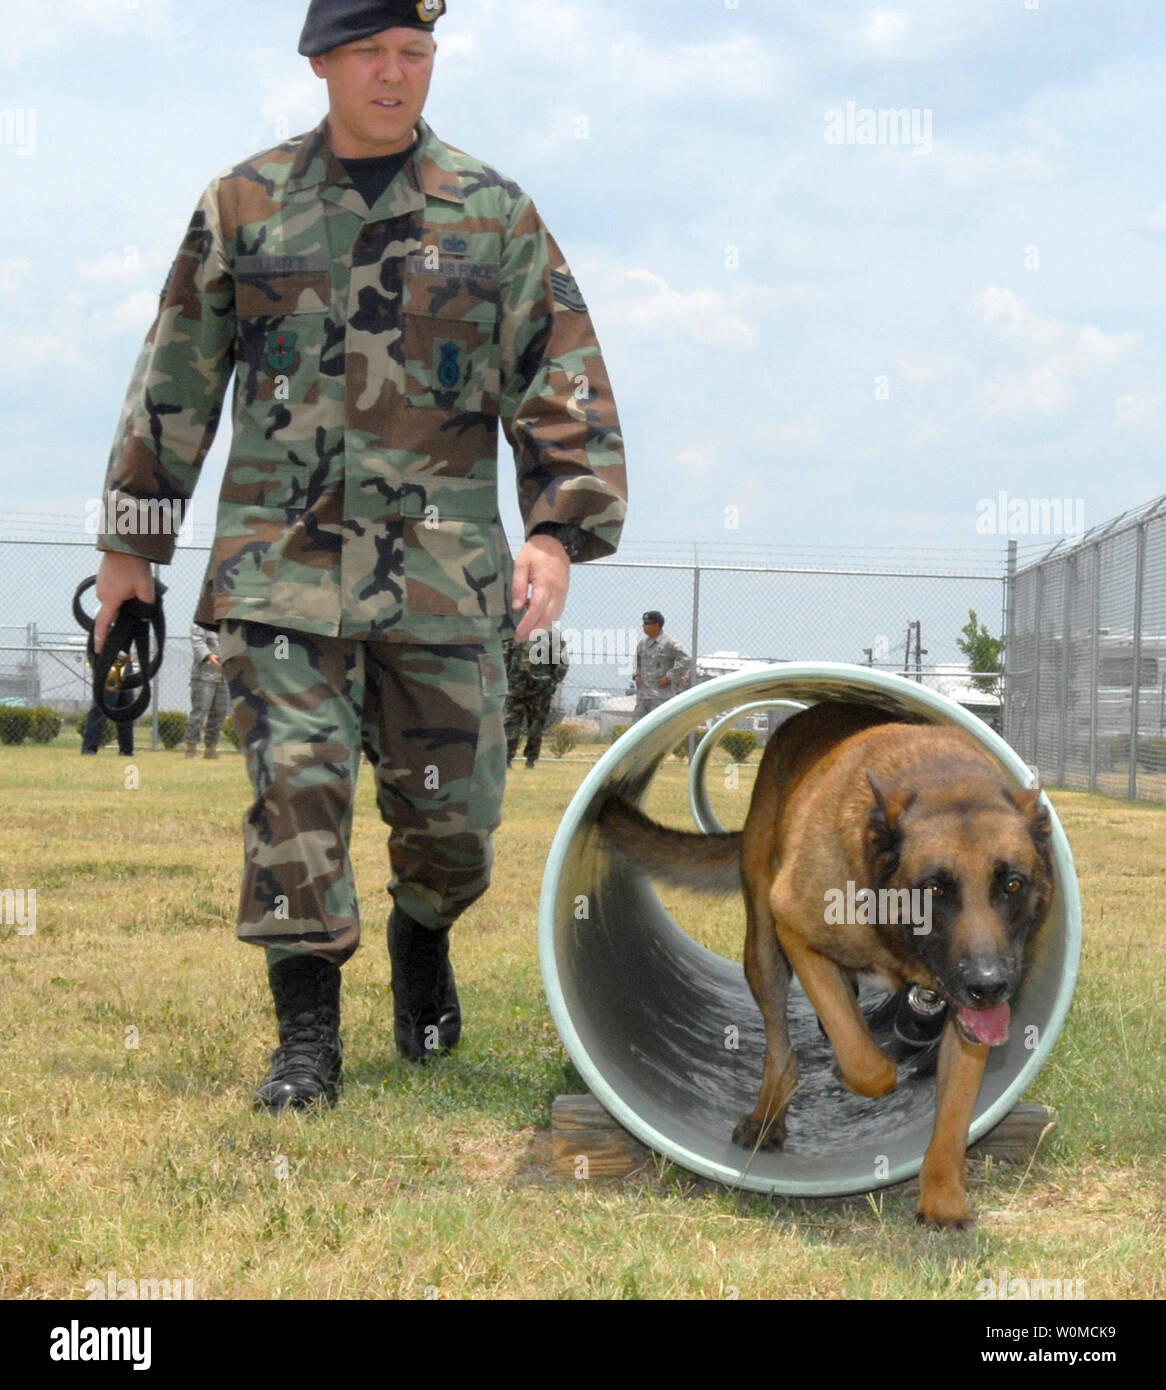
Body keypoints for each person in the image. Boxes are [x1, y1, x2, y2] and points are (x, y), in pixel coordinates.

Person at [91, 0, 627, 1110]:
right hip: (277, 570)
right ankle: (306, 1040)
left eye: (414, 54)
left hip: (442, 581)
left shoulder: (492, 214)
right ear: (322, 62)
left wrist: (552, 530)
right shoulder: (243, 205)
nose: (395, 75)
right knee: (297, 788)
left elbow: (558, 368)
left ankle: (420, 933)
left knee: (453, 828)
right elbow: (175, 380)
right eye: (372, 53)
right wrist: (131, 554)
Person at [503, 627, 569, 769]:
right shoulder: (516, 631)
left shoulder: (550, 635)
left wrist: (552, 682)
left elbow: (562, 663)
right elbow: (505, 657)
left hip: (538, 688)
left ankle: (529, 760)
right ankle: (509, 759)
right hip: (518, 687)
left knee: (534, 725)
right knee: (513, 723)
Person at [632, 611, 689, 722]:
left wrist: (669, 677)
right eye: (643, 623)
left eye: (647, 623)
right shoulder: (642, 644)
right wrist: (636, 675)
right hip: (643, 697)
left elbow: (686, 659)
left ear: (657, 625)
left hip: (661, 697)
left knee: (658, 730)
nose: (644, 626)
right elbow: (636, 661)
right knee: (638, 731)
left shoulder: (669, 643)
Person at [184, 620, 229, 759]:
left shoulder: (227, 625)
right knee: (199, 712)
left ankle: (211, 748)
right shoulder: (200, 622)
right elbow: (197, 641)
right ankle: (191, 748)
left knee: (220, 713)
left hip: (223, 676)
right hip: (204, 676)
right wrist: (209, 656)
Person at [80, 655, 135, 757]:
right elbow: (99, 640)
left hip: (125, 662)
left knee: (126, 707)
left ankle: (127, 750)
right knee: (102, 707)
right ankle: (89, 749)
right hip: (112, 662)